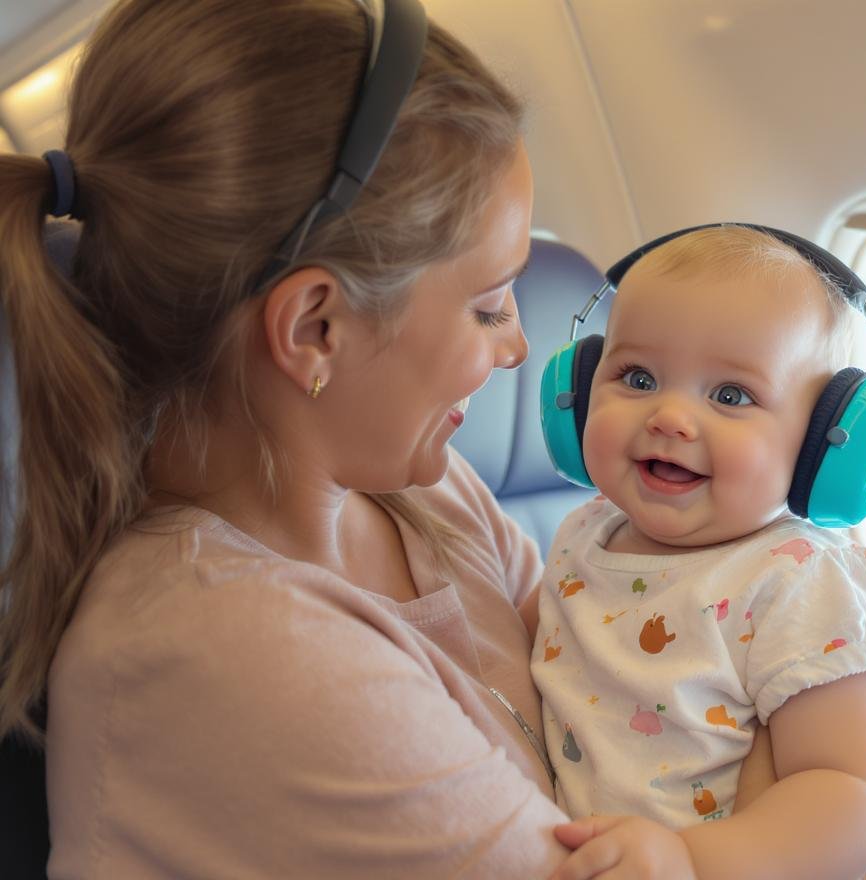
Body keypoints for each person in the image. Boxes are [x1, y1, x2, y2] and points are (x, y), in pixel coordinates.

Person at [0, 0, 604, 875]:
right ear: (315, 328)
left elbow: (617, 681)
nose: (516, 346)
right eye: (486, 306)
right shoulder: (224, 645)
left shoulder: (424, 495)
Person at [528, 224, 866, 880]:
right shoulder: (583, 533)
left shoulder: (799, 583)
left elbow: (852, 793)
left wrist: (690, 861)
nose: (671, 418)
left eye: (731, 395)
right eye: (637, 376)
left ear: (823, 446)